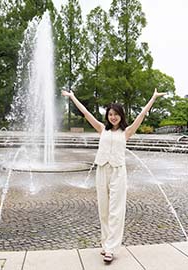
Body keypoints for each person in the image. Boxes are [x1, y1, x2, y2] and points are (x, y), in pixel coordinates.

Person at [62, 88, 166, 263]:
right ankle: (105, 244)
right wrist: (73, 97)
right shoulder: (102, 129)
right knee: (104, 210)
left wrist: (153, 98)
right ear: (108, 116)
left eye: (116, 114)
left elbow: (141, 115)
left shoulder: (127, 132)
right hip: (102, 170)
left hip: (118, 172)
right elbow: (86, 113)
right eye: (110, 114)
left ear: (121, 116)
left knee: (116, 211)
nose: (113, 117)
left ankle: (111, 248)